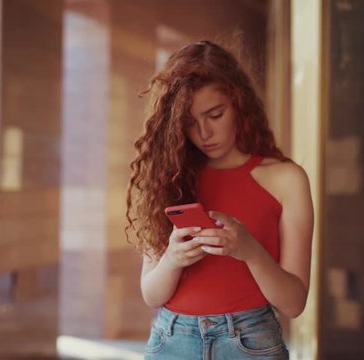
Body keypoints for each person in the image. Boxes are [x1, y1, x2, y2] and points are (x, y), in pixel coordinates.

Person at [126, 40, 313, 359]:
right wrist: (173, 259)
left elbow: (294, 304)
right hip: (171, 340)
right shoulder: (168, 177)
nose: (204, 133)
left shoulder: (286, 179)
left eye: (215, 114)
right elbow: (151, 294)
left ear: (239, 103)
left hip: (250, 342)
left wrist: (250, 250)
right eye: (188, 122)